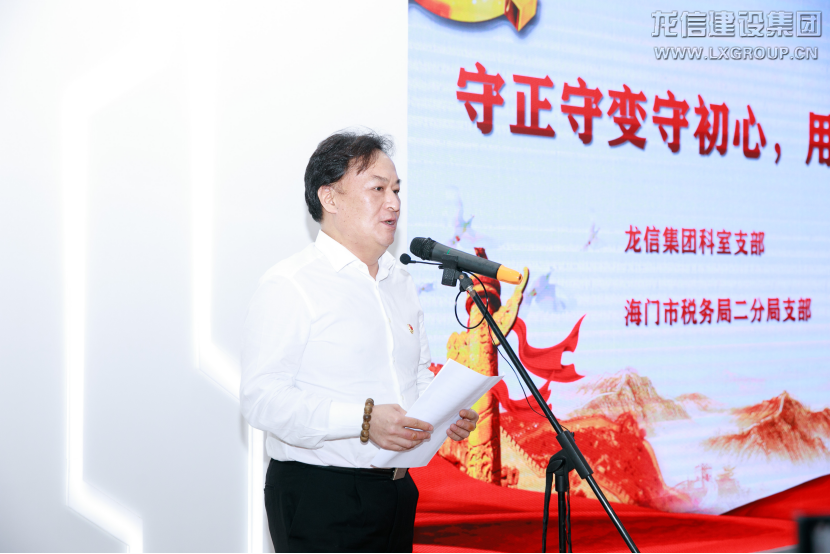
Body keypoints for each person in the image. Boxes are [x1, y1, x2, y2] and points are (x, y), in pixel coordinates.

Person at [240, 130, 479, 552]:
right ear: (330, 198)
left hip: (397, 492)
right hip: (322, 495)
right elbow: (262, 399)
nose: (394, 203)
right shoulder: (291, 284)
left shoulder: (400, 282)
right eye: (378, 189)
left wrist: (445, 415)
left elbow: (416, 378)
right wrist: (364, 421)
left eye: (396, 190)